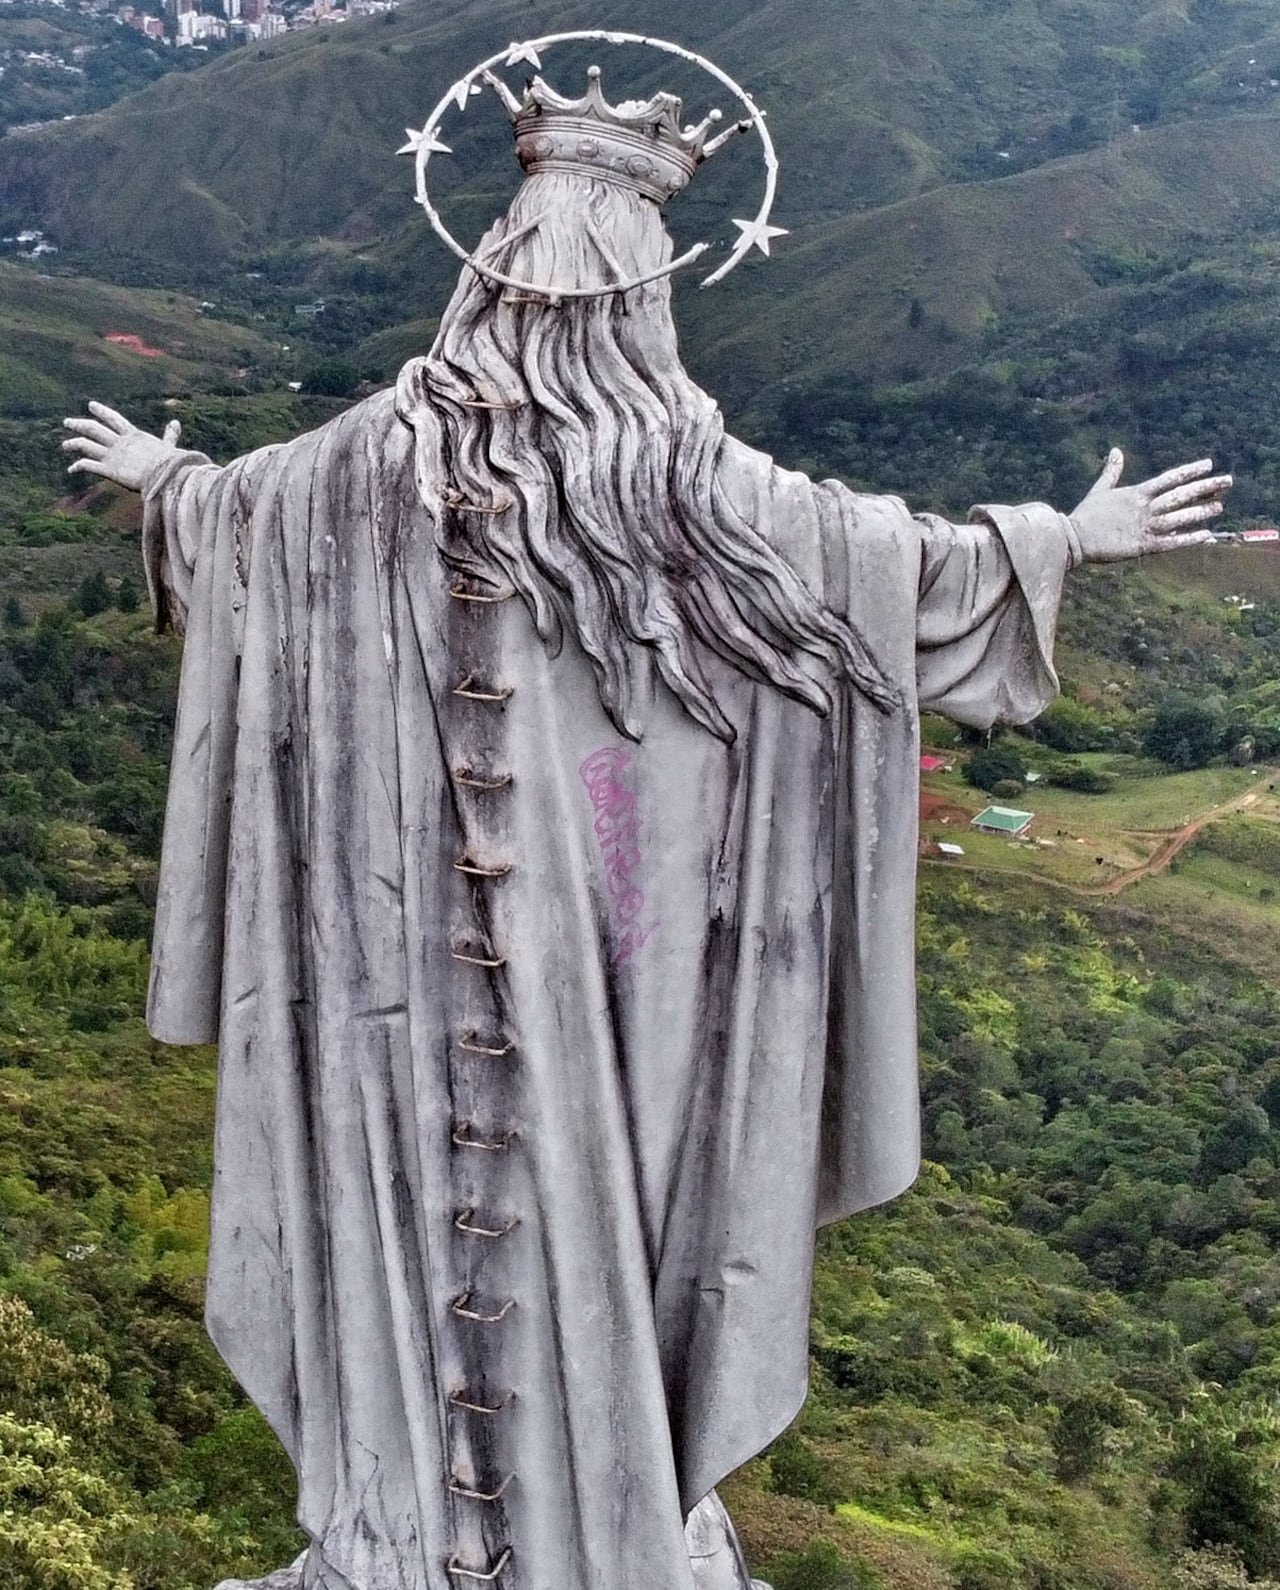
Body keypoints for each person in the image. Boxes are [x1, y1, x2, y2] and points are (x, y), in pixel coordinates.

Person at [62, 52, 1230, 1590]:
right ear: (643, 304)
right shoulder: (701, 498)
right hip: (611, 1003)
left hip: (386, 993)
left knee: (397, 1237)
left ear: (486, 280)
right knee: (596, 1235)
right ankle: (553, 1533)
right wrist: (1065, 539)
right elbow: (890, 568)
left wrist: (162, 478)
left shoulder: (355, 476)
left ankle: (413, 1529)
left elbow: (235, 516)